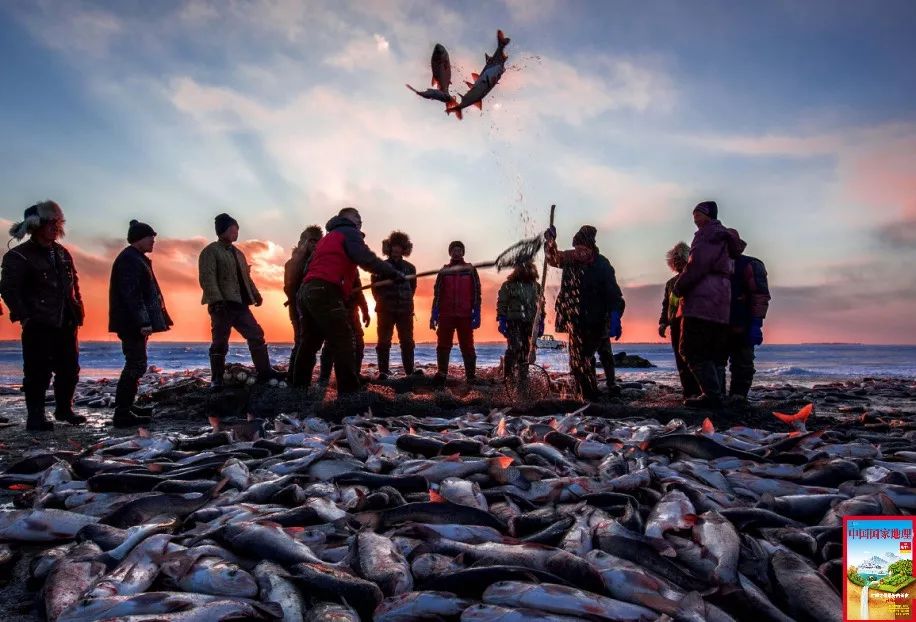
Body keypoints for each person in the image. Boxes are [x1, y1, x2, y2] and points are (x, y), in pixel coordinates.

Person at [293, 207, 403, 394]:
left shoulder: (327, 238)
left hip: (307, 291)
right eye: (356, 216)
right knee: (343, 339)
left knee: (310, 342)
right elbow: (365, 258)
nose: (360, 220)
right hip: (324, 290)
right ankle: (349, 392)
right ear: (344, 218)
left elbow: (309, 267)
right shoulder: (348, 231)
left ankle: (298, 388)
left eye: (361, 217)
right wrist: (392, 273)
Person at [0, 200, 87, 431]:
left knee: (69, 369)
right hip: (39, 322)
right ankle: (36, 416)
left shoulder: (62, 252)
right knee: (37, 371)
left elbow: (73, 283)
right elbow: (8, 289)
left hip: (66, 320)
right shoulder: (19, 256)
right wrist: (25, 316)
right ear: (34, 226)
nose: (54, 228)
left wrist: (78, 308)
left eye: (56, 223)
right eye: (49, 223)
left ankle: (64, 409)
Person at [672, 201, 742, 409]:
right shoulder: (723, 238)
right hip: (720, 303)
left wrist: (679, 286)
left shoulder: (707, 235)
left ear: (708, 215)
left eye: (698, 213)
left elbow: (697, 265)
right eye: (693, 213)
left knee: (690, 349)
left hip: (702, 302)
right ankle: (717, 393)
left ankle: (711, 395)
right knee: (714, 352)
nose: (694, 217)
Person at [545, 224, 625, 401]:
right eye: (576, 248)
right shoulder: (570, 259)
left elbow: (613, 292)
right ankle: (585, 390)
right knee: (576, 358)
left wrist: (615, 315)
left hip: (597, 317)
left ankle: (602, 387)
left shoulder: (602, 265)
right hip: (574, 317)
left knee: (594, 353)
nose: (579, 252)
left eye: (582, 249)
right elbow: (552, 259)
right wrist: (550, 243)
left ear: (590, 248)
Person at [198, 213, 278, 388]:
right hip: (221, 305)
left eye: (237, 231)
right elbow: (207, 278)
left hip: (240, 304)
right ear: (222, 231)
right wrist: (217, 301)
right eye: (233, 230)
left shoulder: (239, 254)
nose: (236, 234)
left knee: (256, 335)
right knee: (220, 341)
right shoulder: (210, 251)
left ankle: (265, 372)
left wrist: (256, 295)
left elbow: (246, 278)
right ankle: (217, 378)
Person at [108, 220, 173, 427]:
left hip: (132, 322)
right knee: (136, 364)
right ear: (139, 238)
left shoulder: (137, 258)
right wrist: (143, 321)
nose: (153, 241)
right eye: (150, 237)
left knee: (136, 363)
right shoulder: (130, 260)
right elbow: (132, 295)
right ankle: (122, 412)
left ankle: (127, 406)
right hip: (131, 323)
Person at [724, 229, 771, 406]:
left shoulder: (750, 265)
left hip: (740, 321)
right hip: (717, 322)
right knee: (717, 361)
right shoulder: (711, 265)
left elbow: (760, 295)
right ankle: (719, 395)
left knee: (742, 361)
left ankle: (738, 396)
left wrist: (756, 322)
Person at [430, 241, 481, 383]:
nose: (456, 252)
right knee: (443, 345)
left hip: (465, 315)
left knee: (467, 346)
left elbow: (477, 292)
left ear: (463, 252)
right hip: (446, 315)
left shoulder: (470, 269)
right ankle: (441, 373)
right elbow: (437, 293)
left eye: (459, 250)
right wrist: (434, 313)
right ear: (450, 252)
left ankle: (471, 376)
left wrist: (477, 311)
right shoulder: (444, 270)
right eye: (454, 250)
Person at [371, 231, 418, 379]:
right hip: (385, 310)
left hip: (405, 310)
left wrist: (406, 302)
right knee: (384, 342)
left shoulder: (410, 268)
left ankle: (410, 371)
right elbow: (374, 288)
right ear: (389, 248)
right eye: (394, 246)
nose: (396, 249)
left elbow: (413, 288)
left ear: (404, 249)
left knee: (407, 342)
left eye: (400, 247)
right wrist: (382, 301)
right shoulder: (380, 266)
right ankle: (383, 372)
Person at [658, 242, 699, 399]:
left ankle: (700, 390)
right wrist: (663, 322)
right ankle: (688, 391)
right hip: (675, 324)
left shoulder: (696, 279)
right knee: (680, 358)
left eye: (680, 259)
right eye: (675, 261)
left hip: (692, 322)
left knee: (693, 357)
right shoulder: (671, 283)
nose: (677, 263)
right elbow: (667, 305)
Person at [285, 225, 323, 385]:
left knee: (309, 343)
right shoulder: (293, 263)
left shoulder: (318, 260)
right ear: (303, 242)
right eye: (311, 241)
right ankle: (296, 381)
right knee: (302, 342)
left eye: (317, 241)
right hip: (298, 308)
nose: (314, 244)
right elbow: (289, 287)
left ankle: (298, 381)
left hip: (315, 308)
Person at [496, 261, 542, 386]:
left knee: (526, 350)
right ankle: (508, 377)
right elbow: (502, 303)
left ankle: (523, 377)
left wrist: (541, 321)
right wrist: (502, 319)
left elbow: (541, 305)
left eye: (528, 267)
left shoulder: (536, 286)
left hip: (530, 323)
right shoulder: (508, 285)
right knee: (514, 348)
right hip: (514, 321)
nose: (525, 270)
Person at [319, 275, 370, 384]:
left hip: (352, 313)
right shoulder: (331, 266)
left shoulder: (353, 270)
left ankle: (355, 374)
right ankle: (324, 378)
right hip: (334, 311)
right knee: (331, 343)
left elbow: (359, 293)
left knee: (359, 343)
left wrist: (365, 312)